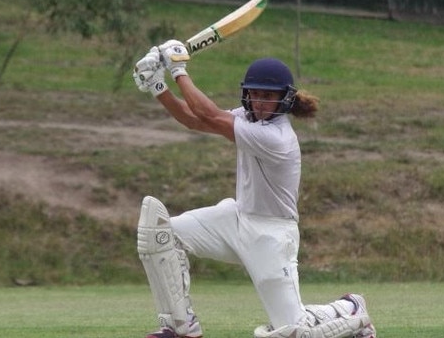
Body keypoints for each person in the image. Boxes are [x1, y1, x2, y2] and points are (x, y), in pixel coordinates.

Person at [133, 40, 377, 338]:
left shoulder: (277, 137)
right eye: (254, 94)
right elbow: (193, 120)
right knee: (162, 235)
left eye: (267, 96)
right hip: (236, 220)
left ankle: (350, 309)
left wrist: (178, 70)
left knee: (292, 330)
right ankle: (181, 327)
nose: (259, 102)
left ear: (284, 99)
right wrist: (158, 85)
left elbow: (208, 114)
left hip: (272, 235)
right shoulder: (247, 117)